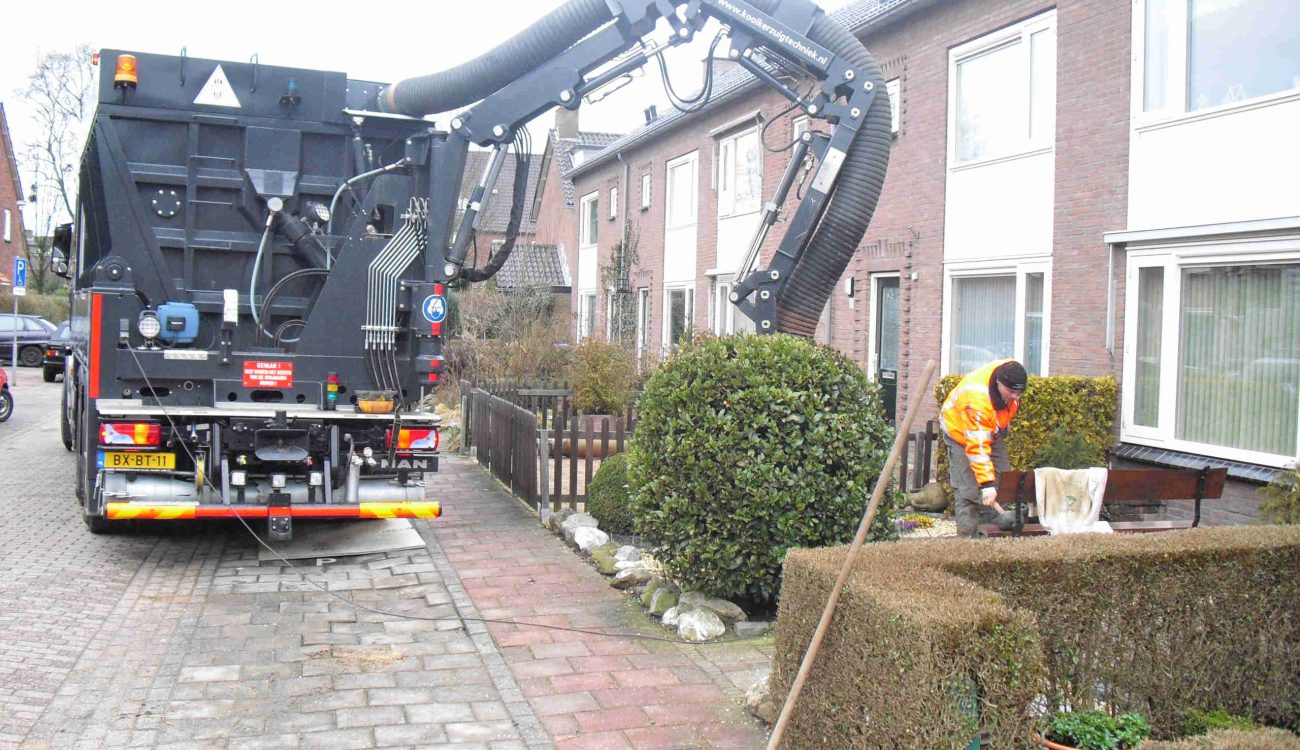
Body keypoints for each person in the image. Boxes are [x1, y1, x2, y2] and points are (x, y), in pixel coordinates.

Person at [939, 359, 1028, 538]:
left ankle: (997, 529)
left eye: (1019, 392)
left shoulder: (1010, 373)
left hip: (990, 431)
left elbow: (1000, 414)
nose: (1016, 397)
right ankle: (968, 543)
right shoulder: (975, 399)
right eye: (1011, 392)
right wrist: (987, 485)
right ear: (999, 383)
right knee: (967, 491)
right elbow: (977, 448)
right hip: (961, 434)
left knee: (1003, 481)